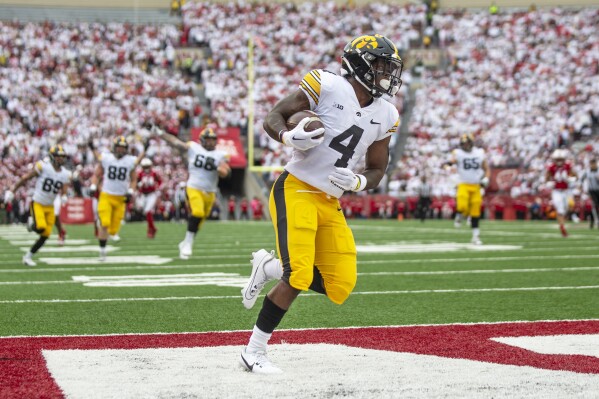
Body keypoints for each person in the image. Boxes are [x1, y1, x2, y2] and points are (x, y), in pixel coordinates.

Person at [238, 34, 403, 374]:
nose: (388, 75)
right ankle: (253, 351)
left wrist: (359, 182)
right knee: (297, 276)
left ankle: (267, 268)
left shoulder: (387, 113)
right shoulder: (327, 84)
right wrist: (286, 135)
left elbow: (377, 168)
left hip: (330, 200)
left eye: (390, 68)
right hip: (296, 188)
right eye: (382, 66)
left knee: (340, 284)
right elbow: (275, 115)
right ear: (360, 64)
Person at [152, 126, 231, 259]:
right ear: (202, 140)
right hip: (194, 187)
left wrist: (216, 168)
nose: (211, 142)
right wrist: (160, 132)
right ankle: (188, 244)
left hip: (210, 192)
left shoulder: (220, 155)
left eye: (212, 139)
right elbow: (175, 142)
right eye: (208, 139)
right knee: (197, 212)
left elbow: (226, 173)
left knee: (198, 222)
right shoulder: (194, 148)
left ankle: (185, 242)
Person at [4, 146, 71, 266]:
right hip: (38, 203)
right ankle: (31, 224)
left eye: (62, 157)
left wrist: (64, 195)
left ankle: (28, 256)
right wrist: (12, 190)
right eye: (58, 156)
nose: (61, 159)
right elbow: (26, 177)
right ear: (52, 157)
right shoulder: (44, 166)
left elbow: (64, 186)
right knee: (40, 227)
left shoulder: (65, 173)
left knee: (45, 235)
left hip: (50, 206)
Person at [90, 136, 143, 260]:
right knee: (105, 223)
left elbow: (134, 179)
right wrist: (93, 186)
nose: (120, 150)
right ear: (114, 148)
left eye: (123, 148)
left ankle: (105, 227)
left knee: (113, 231)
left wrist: (131, 190)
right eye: (118, 148)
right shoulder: (107, 159)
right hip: (106, 195)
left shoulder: (130, 161)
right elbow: (97, 175)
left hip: (120, 199)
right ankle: (102, 252)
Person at [448, 134, 490, 245]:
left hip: (476, 185)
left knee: (476, 212)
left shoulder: (479, 152)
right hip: (463, 184)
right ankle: (459, 215)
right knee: (462, 205)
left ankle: (475, 237)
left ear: (471, 143)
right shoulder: (458, 153)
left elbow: (486, 168)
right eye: (463, 144)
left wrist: (486, 178)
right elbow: (451, 161)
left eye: (467, 143)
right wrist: (449, 165)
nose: (465, 146)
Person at [546, 149, 576, 237]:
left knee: (569, 207)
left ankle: (563, 223)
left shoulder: (567, 166)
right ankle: (562, 228)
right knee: (560, 210)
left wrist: (570, 179)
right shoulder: (551, 167)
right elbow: (547, 177)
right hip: (557, 191)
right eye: (557, 159)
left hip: (567, 191)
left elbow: (575, 175)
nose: (559, 161)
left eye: (560, 159)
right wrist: (549, 182)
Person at [137, 158, 162, 238]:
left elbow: (160, 182)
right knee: (145, 211)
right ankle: (153, 228)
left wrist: (157, 188)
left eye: (147, 166)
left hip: (152, 194)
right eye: (145, 167)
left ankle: (150, 229)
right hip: (143, 194)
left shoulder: (154, 173)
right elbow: (136, 183)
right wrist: (140, 185)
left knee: (148, 211)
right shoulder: (140, 174)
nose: (146, 168)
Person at [580, 158, 599, 229]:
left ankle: (594, 221)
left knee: (595, 207)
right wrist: (581, 187)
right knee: (594, 205)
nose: (592, 165)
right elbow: (581, 179)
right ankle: (593, 221)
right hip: (592, 191)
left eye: (594, 164)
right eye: (591, 164)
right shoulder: (587, 172)